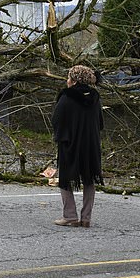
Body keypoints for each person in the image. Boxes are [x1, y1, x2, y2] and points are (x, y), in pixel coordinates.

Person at [52, 65, 104, 228]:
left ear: (74, 81)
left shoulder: (67, 97)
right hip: (91, 144)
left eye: (68, 78)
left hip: (71, 144)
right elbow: (100, 122)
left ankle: (70, 215)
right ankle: (86, 218)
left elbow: (57, 120)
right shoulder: (95, 97)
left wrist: (61, 137)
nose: (67, 81)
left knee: (66, 179)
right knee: (89, 179)